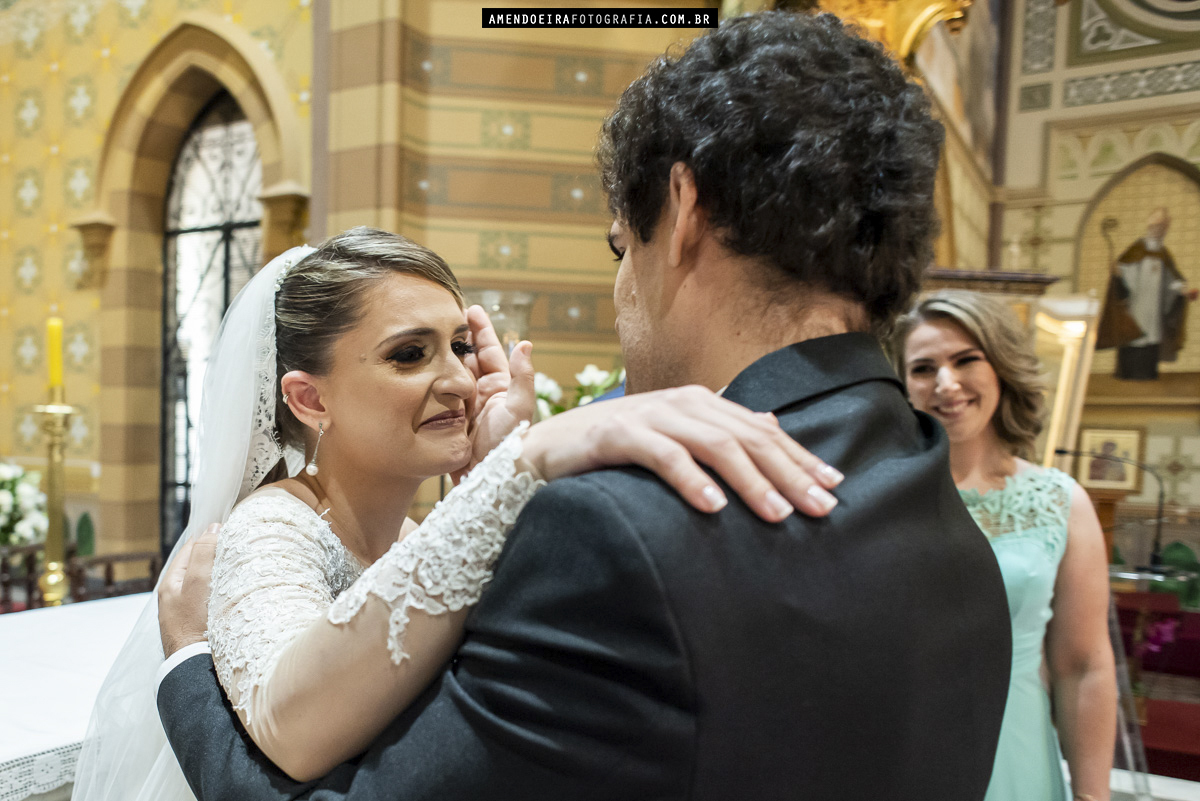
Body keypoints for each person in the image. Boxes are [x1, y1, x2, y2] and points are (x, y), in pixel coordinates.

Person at [155, 12, 1012, 800]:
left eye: (617, 245)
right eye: (411, 352)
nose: (617, 290)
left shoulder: (618, 529)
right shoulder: (942, 506)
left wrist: (188, 658)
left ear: (682, 211)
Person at [72, 227, 842, 801]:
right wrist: (523, 462)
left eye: (460, 346)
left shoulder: (410, 533)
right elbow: (295, 731)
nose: (458, 380)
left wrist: (486, 470)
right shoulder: (273, 528)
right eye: (410, 354)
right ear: (310, 397)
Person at [897, 290, 1117, 801]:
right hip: (902, 746)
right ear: (903, 386)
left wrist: (1092, 795)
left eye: (965, 360)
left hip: (1015, 744)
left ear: (1000, 366)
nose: (946, 383)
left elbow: (1083, 666)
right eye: (924, 368)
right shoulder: (882, 495)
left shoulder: (1061, 501)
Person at [1096, 207, 1197, 381]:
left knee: (1151, 338)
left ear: (1166, 229)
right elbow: (1124, 273)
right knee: (1133, 336)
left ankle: (1147, 375)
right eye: (1156, 225)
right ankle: (1126, 374)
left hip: (1154, 310)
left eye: (1163, 226)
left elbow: (1170, 280)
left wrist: (1181, 288)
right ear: (1149, 226)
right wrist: (1119, 272)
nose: (1158, 229)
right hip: (1137, 306)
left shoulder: (1164, 254)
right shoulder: (1137, 249)